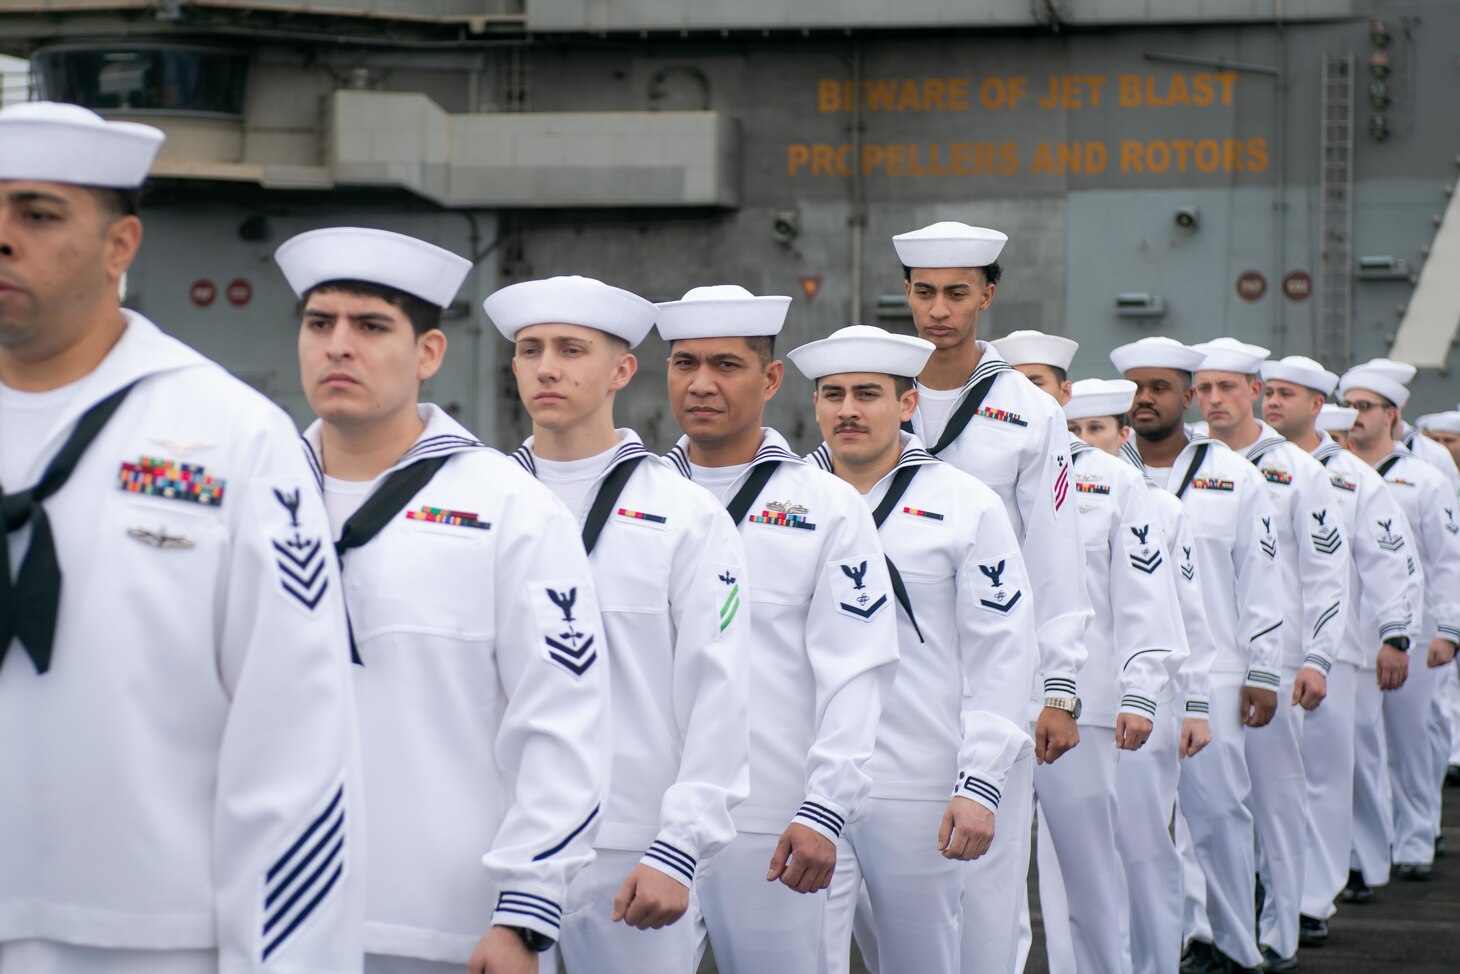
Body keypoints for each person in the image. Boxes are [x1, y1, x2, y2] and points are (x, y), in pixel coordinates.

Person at [0, 103, 362, 973]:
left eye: (38, 214)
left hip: (156, 938)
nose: (3, 239)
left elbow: (295, 744)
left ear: (120, 245)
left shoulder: (232, 434)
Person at [277, 228, 609, 974]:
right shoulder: (255, 496)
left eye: (369, 326)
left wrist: (525, 915)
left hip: (438, 926)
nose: (337, 346)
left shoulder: (508, 509)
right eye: (318, 323)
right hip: (262, 917)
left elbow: (563, 720)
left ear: (428, 352)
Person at [486, 274, 750, 973]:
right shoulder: (477, 505)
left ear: (622, 369)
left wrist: (679, 846)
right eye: (530, 348)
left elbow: (718, 690)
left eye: (571, 349)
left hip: (629, 846)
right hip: (493, 846)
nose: (546, 366)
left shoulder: (687, 515)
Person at [656, 285, 899, 974]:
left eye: (726, 365)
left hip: (771, 816)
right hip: (645, 815)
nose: (701, 383)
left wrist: (824, 808)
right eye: (684, 363)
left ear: (769, 379)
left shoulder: (825, 507)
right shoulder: (638, 501)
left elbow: (857, 667)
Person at [789, 325, 1034, 974]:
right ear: (814, 405)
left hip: (918, 781)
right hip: (800, 776)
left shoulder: (965, 505)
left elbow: (1004, 650)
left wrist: (980, 782)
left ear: (906, 405)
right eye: (832, 394)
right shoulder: (782, 504)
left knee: (922, 959)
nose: (847, 409)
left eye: (868, 394)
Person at [891, 223, 1091, 973]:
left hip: (994, 675)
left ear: (987, 295)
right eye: (923, 292)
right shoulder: (876, 391)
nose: (937, 309)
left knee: (988, 889)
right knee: (894, 894)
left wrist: (1060, 689)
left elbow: (1056, 554)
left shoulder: (1030, 412)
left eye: (956, 293)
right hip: (893, 671)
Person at [994, 331, 1183, 974]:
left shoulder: (1109, 480)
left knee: (1089, 867)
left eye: (1038, 383)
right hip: (987, 701)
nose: (1025, 396)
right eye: (1011, 383)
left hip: (1087, 701)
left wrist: (1138, 690)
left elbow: (1143, 593)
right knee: (992, 876)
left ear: (1064, 395)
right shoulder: (965, 474)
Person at [1110, 336, 1283, 974]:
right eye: (1136, 387)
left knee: (1219, 812)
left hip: (1218, 671)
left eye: (1160, 388)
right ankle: (1169, 941)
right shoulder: (1105, 474)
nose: (1144, 399)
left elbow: (1262, 579)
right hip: (1132, 675)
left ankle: (1236, 944)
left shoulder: (1235, 475)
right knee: (1140, 826)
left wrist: (1264, 670)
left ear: (1188, 397)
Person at [1190, 338, 1349, 972]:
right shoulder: (1187, 462)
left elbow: (1326, 570)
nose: (1214, 400)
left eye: (1227, 387)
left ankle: (1280, 933)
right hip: (1206, 662)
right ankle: (1211, 932)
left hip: (1275, 663)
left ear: (1256, 391)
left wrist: (1318, 657)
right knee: (1208, 807)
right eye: (1203, 388)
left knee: (1277, 803)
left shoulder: (1298, 470)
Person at [1257, 356, 1416, 944]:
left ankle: (1311, 899)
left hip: (1334, 650)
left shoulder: (1352, 477)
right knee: (1262, 786)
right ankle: (1266, 892)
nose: (1272, 403)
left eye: (1287, 394)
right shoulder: (1248, 465)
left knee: (1322, 780)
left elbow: (1389, 562)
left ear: (1318, 405)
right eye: (1268, 392)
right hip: (1259, 652)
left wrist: (1394, 635)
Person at [1068, 377, 1215, 974]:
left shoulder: (1160, 506)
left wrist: (1197, 703)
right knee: (1079, 867)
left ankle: (1159, 961)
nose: (1083, 442)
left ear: (1123, 435)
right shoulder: (1042, 501)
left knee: (1145, 848)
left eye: (1096, 429)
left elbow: (1186, 613)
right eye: (1072, 431)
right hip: (1073, 711)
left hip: (1139, 705)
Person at [1337, 366, 1460, 884]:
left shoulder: (1424, 479)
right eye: (1350, 404)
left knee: (1413, 738)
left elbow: (1448, 560)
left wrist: (1449, 631)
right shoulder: (1331, 475)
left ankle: (1415, 836)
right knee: (1359, 747)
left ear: (1392, 415)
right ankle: (1369, 846)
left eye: (1366, 406)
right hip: (1348, 633)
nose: (1356, 415)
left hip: (1416, 628)